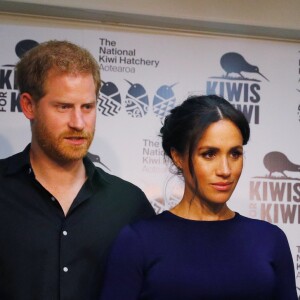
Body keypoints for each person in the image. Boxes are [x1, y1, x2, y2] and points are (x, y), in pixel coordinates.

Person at [100, 95, 298, 300]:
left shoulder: (270, 239)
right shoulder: (138, 241)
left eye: (235, 154)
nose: (225, 169)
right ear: (178, 157)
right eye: (209, 154)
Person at [0, 40, 155, 300]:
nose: (78, 123)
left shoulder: (129, 203)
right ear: (29, 106)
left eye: (88, 107)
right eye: (63, 107)